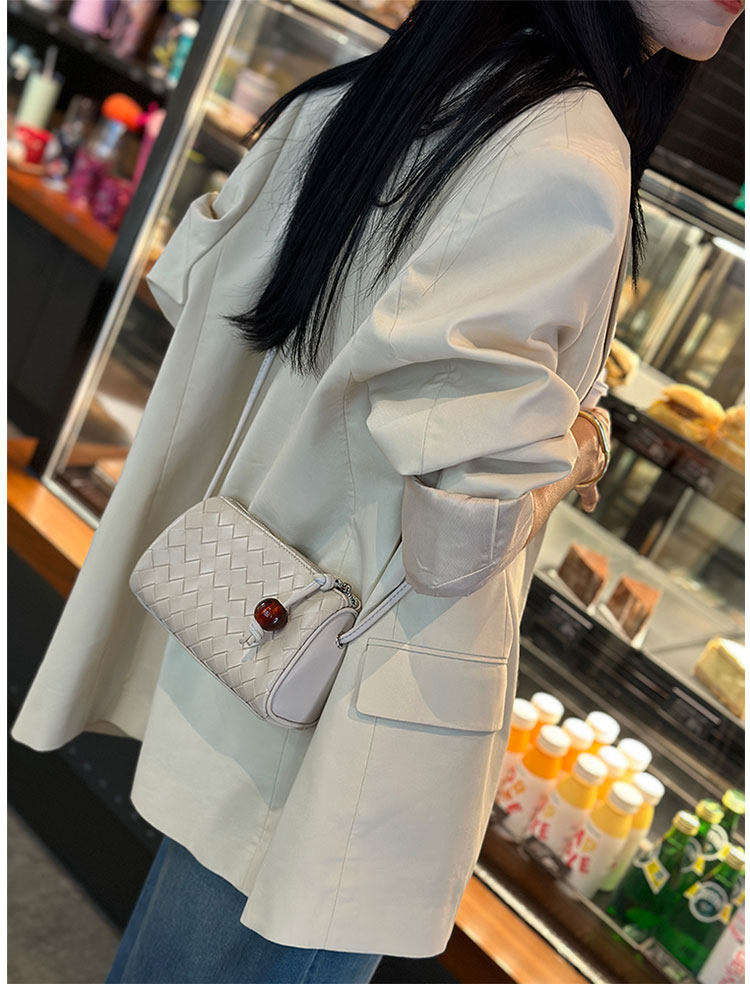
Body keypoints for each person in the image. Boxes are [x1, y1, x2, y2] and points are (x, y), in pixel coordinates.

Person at [11, 0, 742, 985]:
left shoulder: (384, 88)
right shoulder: (570, 148)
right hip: (354, 714)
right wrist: (583, 439)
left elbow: (204, 308)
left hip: (250, 641)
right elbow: (460, 530)